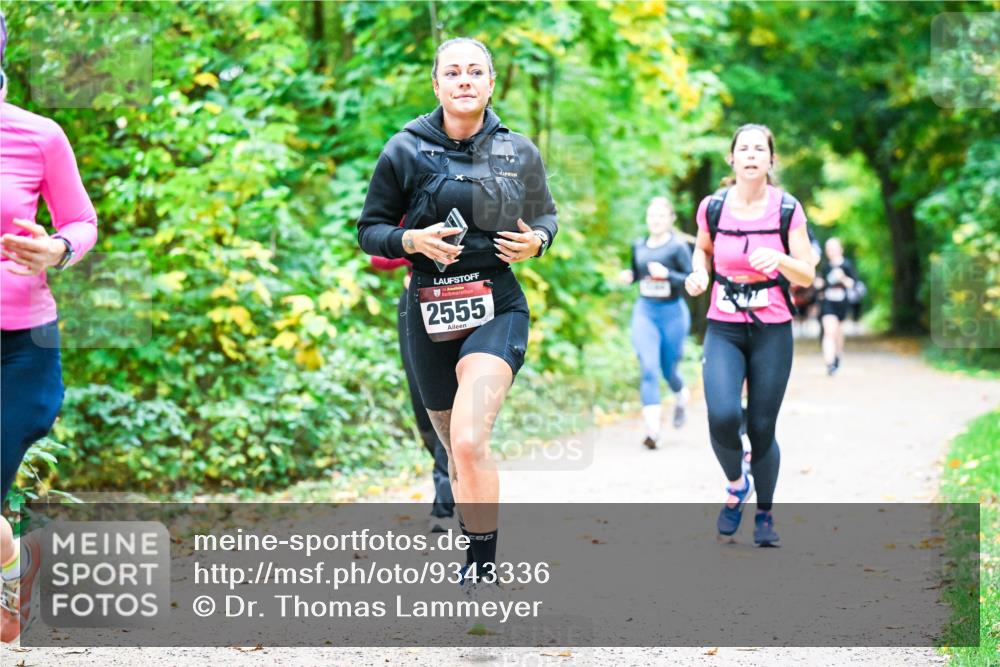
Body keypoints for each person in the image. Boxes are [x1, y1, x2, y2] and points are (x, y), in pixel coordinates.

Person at [357, 37, 557, 597]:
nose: (464, 80)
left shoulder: (518, 151)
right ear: (437, 84)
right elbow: (369, 229)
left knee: (469, 441)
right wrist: (409, 239)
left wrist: (537, 241)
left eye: (475, 71)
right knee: (452, 445)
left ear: (491, 83)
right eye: (453, 72)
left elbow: (545, 215)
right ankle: (477, 546)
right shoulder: (404, 149)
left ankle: (483, 567)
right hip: (427, 315)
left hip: (498, 306)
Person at [0, 10, 99, 641]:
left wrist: (56, 249)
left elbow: (82, 221)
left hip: (23, 350)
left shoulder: (38, 136)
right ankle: (14, 563)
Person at [684, 124, 815, 547]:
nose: (752, 155)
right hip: (724, 324)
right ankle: (737, 482)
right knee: (721, 415)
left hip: (772, 328)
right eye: (744, 148)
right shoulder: (714, 206)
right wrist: (699, 272)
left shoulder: (786, 209)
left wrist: (778, 257)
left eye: (761, 149)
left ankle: (765, 514)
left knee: (761, 426)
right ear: (732, 158)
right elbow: (702, 249)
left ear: (771, 160)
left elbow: (808, 272)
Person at [370, 253, 455, 532]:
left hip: (466, 299)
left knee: (454, 402)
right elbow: (378, 258)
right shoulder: (408, 208)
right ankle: (458, 480)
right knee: (425, 410)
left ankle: (446, 503)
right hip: (416, 304)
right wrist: (418, 245)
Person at [617, 196, 692, 449]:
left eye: (661, 216)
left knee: (669, 370)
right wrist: (630, 277)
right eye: (652, 216)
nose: (656, 220)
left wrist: (668, 275)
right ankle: (653, 430)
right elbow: (638, 273)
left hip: (673, 314)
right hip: (646, 312)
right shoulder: (638, 245)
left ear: (671, 219)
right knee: (648, 367)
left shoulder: (678, 247)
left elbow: (692, 281)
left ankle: (681, 397)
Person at [816, 237, 859, 375]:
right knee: (829, 331)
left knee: (838, 333)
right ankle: (829, 364)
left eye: (834, 248)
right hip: (828, 302)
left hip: (842, 302)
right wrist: (819, 284)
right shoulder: (826, 266)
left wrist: (842, 278)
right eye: (828, 249)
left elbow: (854, 285)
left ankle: (837, 355)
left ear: (840, 249)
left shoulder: (847, 265)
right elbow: (821, 285)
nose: (831, 251)